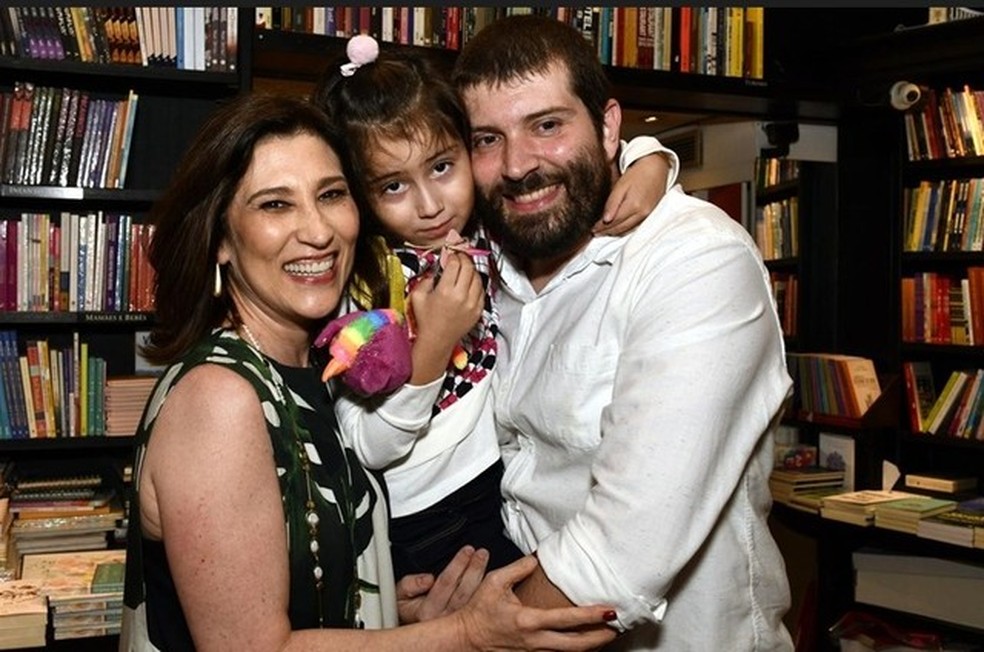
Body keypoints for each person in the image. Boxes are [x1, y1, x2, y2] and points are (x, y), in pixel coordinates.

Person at [120, 92, 621, 651]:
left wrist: (387, 605)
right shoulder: (221, 398)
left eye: (331, 195)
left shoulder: (309, 370)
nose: (317, 230)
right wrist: (466, 634)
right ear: (219, 240)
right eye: (275, 205)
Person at [452, 14, 795, 651]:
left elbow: (622, 549)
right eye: (486, 139)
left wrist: (460, 635)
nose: (519, 165)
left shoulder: (696, 259)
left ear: (609, 127)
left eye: (547, 125)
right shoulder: (483, 268)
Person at [311, 35, 679, 580]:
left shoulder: (484, 230)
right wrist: (432, 346)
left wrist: (650, 163)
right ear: (359, 195)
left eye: (442, 167)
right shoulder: (368, 288)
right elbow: (368, 446)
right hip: (426, 516)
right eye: (393, 186)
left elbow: (571, 163)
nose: (431, 205)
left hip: (494, 488)